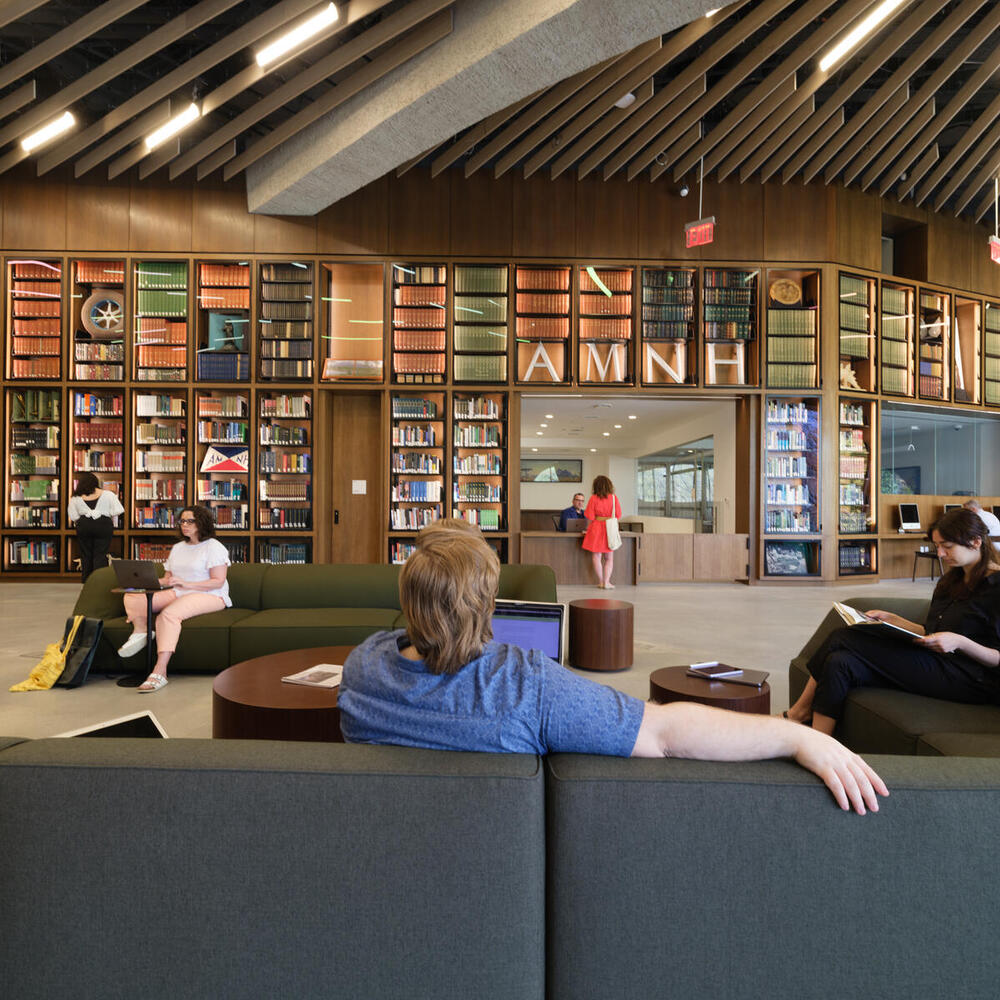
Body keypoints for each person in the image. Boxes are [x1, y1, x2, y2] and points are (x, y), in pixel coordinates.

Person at [340, 530, 887, 815]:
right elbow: (666, 732)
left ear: (406, 598)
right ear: (488, 605)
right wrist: (795, 736)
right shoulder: (528, 685)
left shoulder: (361, 670)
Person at [786, 508, 1000, 735]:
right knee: (840, 661)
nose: (940, 554)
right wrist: (894, 620)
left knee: (843, 637)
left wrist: (960, 642)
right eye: (937, 546)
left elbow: (996, 657)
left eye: (947, 547)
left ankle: (798, 713)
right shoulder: (951, 580)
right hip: (937, 661)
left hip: (971, 678)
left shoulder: (996, 588)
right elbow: (931, 631)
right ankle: (820, 744)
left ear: (976, 542)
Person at [118, 505, 231, 692]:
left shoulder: (213, 547)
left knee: (168, 614)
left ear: (202, 523)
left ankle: (160, 670)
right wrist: (145, 583)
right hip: (178, 590)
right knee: (133, 597)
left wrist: (187, 584)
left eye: (190, 521)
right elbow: (168, 578)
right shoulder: (178, 548)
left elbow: (217, 582)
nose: (184, 525)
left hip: (210, 595)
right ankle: (141, 630)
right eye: (182, 521)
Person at [67, 472, 124, 582]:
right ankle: (99, 581)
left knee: (86, 554)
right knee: (101, 554)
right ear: (96, 482)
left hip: (84, 526)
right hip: (103, 525)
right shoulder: (108, 494)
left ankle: (86, 581)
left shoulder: (76, 498)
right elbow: (118, 510)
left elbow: (73, 516)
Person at [582, 475, 621, 589]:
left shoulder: (593, 498)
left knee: (596, 556)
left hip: (596, 529)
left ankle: (601, 582)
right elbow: (618, 515)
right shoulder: (614, 498)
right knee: (609, 558)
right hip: (610, 529)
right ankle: (607, 582)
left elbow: (589, 515)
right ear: (609, 485)